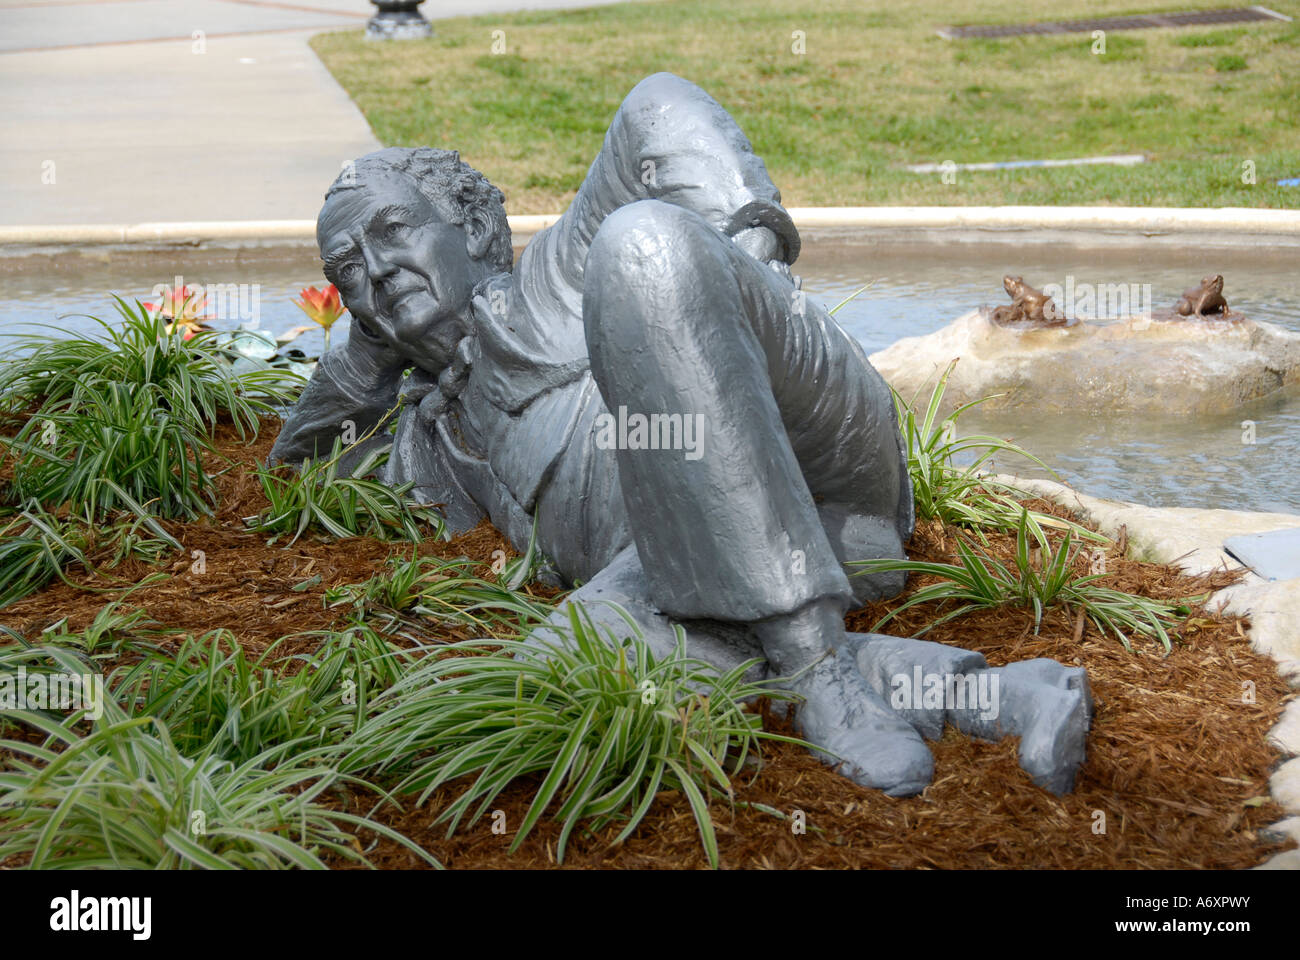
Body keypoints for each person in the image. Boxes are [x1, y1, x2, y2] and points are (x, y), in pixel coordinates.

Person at [272, 73, 936, 794]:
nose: (372, 268)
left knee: (643, 241)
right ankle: (989, 691)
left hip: (813, 451)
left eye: (394, 231)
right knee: (550, 667)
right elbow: (302, 470)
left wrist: (751, 255)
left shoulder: (556, 274)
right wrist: (372, 336)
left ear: (475, 229)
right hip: (726, 558)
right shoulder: (426, 446)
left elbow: (656, 106)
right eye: (348, 270)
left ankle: (815, 661)